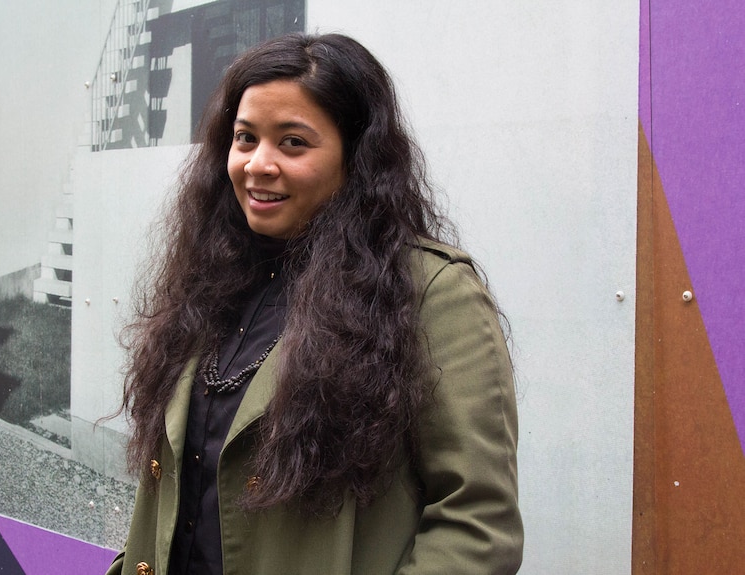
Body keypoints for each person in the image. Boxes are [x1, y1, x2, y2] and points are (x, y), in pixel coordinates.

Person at [107, 32, 522, 575]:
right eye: (245, 138)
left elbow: (477, 523)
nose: (258, 164)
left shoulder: (431, 293)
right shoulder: (212, 280)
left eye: (293, 142)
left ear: (357, 156)